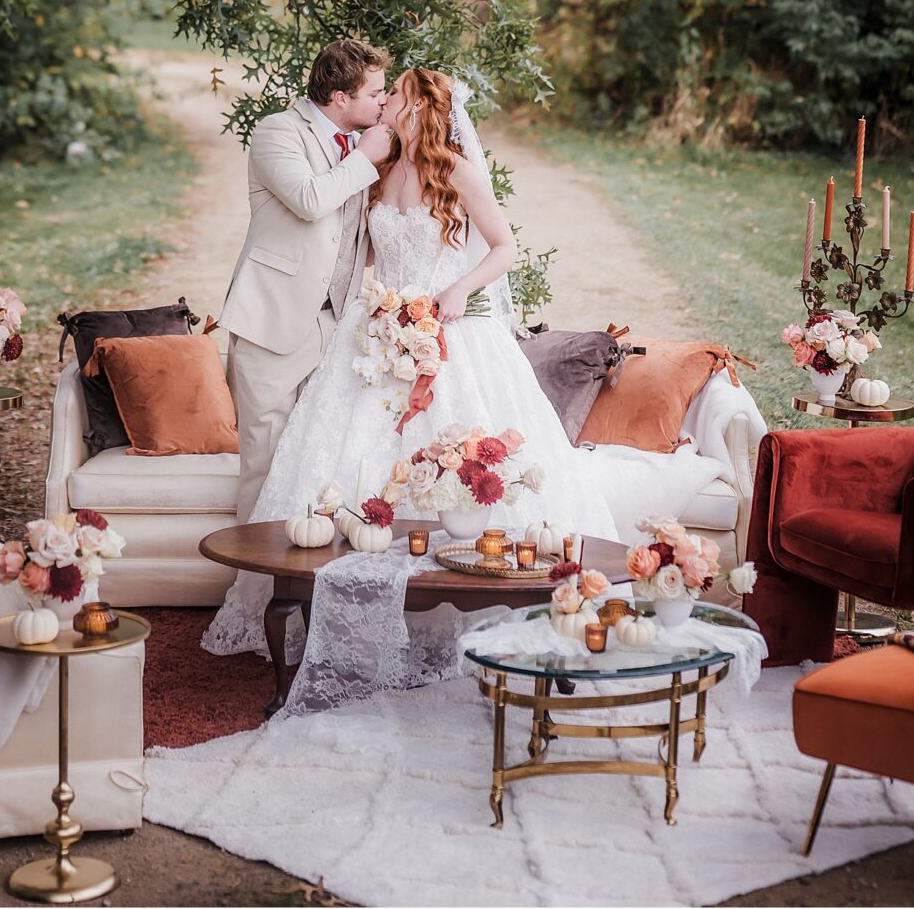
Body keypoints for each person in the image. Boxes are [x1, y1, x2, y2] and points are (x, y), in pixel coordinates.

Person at [204, 65, 713, 661]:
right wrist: (376, 316)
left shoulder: (458, 172)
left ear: (417, 108)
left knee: (453, 467)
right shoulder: (379, 169)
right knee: (348, 465)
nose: (386, 99)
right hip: (376, 340)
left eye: (394, 93)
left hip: (451, 336)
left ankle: (464, 610)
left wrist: (458, 290)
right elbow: (352, 251)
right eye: (380, 90)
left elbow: (505, 247)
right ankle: (342, 621)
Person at [220, 37, 394, 523]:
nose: (383, 102)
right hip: (273, 322)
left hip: (338, 328)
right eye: (375, 93)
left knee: (318, 461)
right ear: (341, 97)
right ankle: (258, 585)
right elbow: (309, 200)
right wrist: (366, 159)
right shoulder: (278, 131)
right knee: (266, 462)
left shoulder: (360, 145)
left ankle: (308, 584)